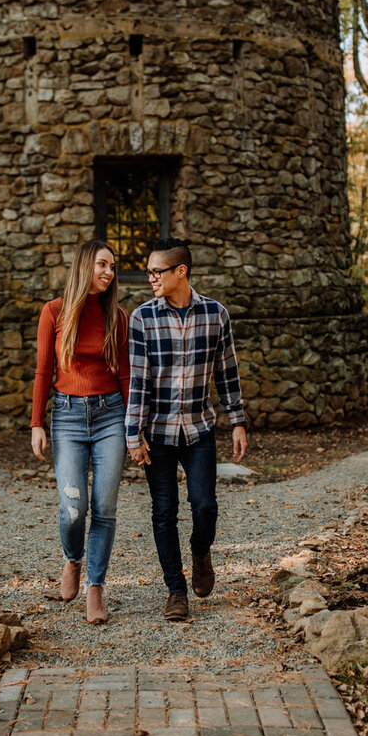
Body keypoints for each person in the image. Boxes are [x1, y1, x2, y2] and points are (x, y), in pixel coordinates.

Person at [126, 237, 248, 621]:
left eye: (156, 272)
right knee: (163, 512)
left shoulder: (216, 315)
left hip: (199, 429)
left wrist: (237, 420)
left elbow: (227, 371)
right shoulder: (142, 318)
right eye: (148, 272)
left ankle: (200, 551)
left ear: (181, 272)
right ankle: (176, 592)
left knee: (204, 505)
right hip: (157, 433)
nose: (151, 279)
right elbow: (138, 382)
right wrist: (134, 433)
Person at [30, 240, 129, 625]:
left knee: (104, 508)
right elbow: (43, 371)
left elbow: (124, 375)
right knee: (74, 509)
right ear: (85, 265)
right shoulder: (54, 312)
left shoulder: (117, 317)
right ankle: (72, 560)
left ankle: (95, 587)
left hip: (110, 417)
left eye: (113, 267)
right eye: (103, 264)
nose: (109, 272)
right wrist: (37, 422)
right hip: (67, 417)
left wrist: (133, 429)